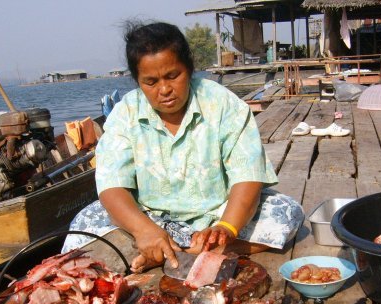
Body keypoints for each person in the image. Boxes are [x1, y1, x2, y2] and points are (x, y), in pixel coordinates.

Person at [62, 21, 303, 273]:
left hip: (216, 217)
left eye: (172, 76)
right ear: (138, 81)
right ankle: (163, 247)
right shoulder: (125, 113)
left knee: (286, 212)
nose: (164, 89)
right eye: (151, 82)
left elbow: (248, 175)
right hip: (149, 218)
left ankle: (176, 253)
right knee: (85, 223)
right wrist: (144, 230)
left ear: (189, 69)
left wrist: (226, 228)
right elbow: (112, 185)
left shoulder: (222, 103)